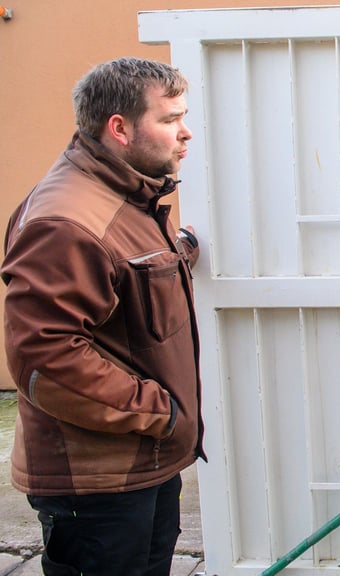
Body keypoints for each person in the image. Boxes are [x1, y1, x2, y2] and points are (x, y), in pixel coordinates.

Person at [1, 57, 204, 575]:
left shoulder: (126, 194)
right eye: (169, 119)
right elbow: (45, 359)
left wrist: (182, 252)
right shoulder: (65, 221)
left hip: (143, 465)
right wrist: (162, 414)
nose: (185, 133)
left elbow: (123, 275)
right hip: (97, 489)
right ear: (119, 128)